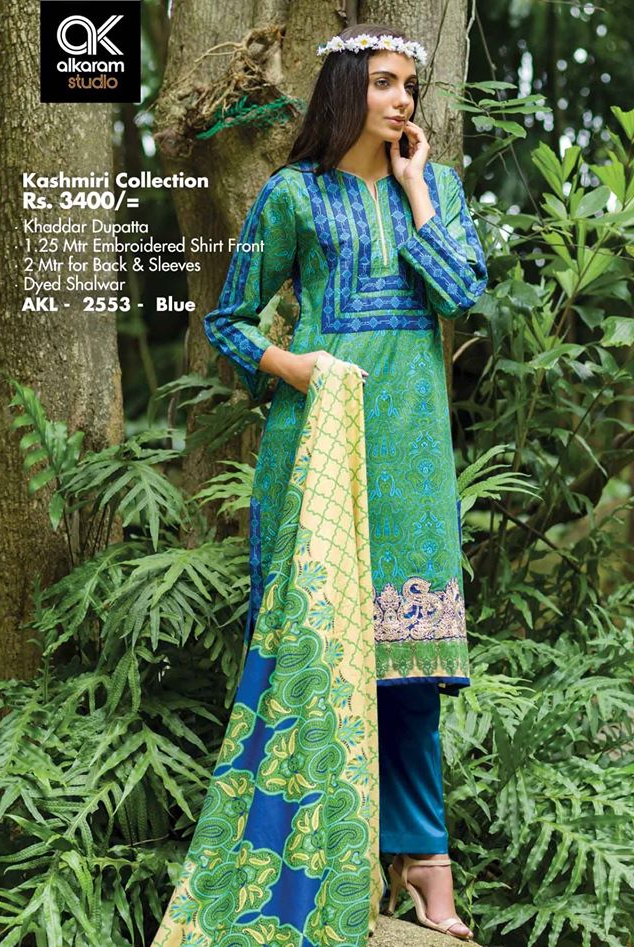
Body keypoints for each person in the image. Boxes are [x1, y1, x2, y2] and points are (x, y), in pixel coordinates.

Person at [152, 22, 487, 947]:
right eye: (383, 82)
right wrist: (295, 367)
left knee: (409, 667)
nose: (402, 100)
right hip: (319, 444)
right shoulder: (293, 195)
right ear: (344, 89)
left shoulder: (438, 190)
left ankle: (425, 867)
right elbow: (229, 320)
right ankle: (309, 866)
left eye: (409, 85)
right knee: (317, 650)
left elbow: (460, 293)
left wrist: (418, 191)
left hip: (412, 445)